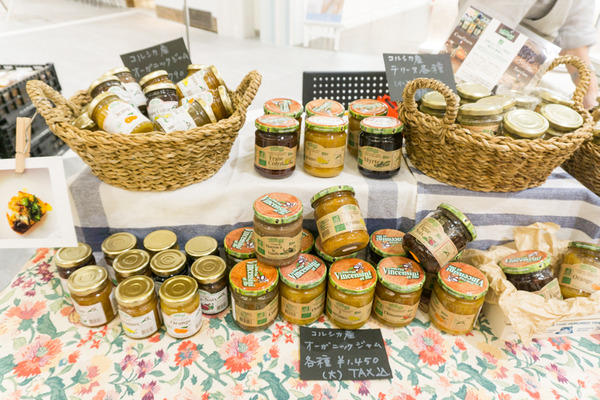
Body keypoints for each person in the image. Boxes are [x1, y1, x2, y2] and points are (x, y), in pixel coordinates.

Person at [459, 0, 599, 108]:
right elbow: (481, 21)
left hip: (518, 82)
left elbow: (575, 42)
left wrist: (592, 99)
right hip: (470, 59)